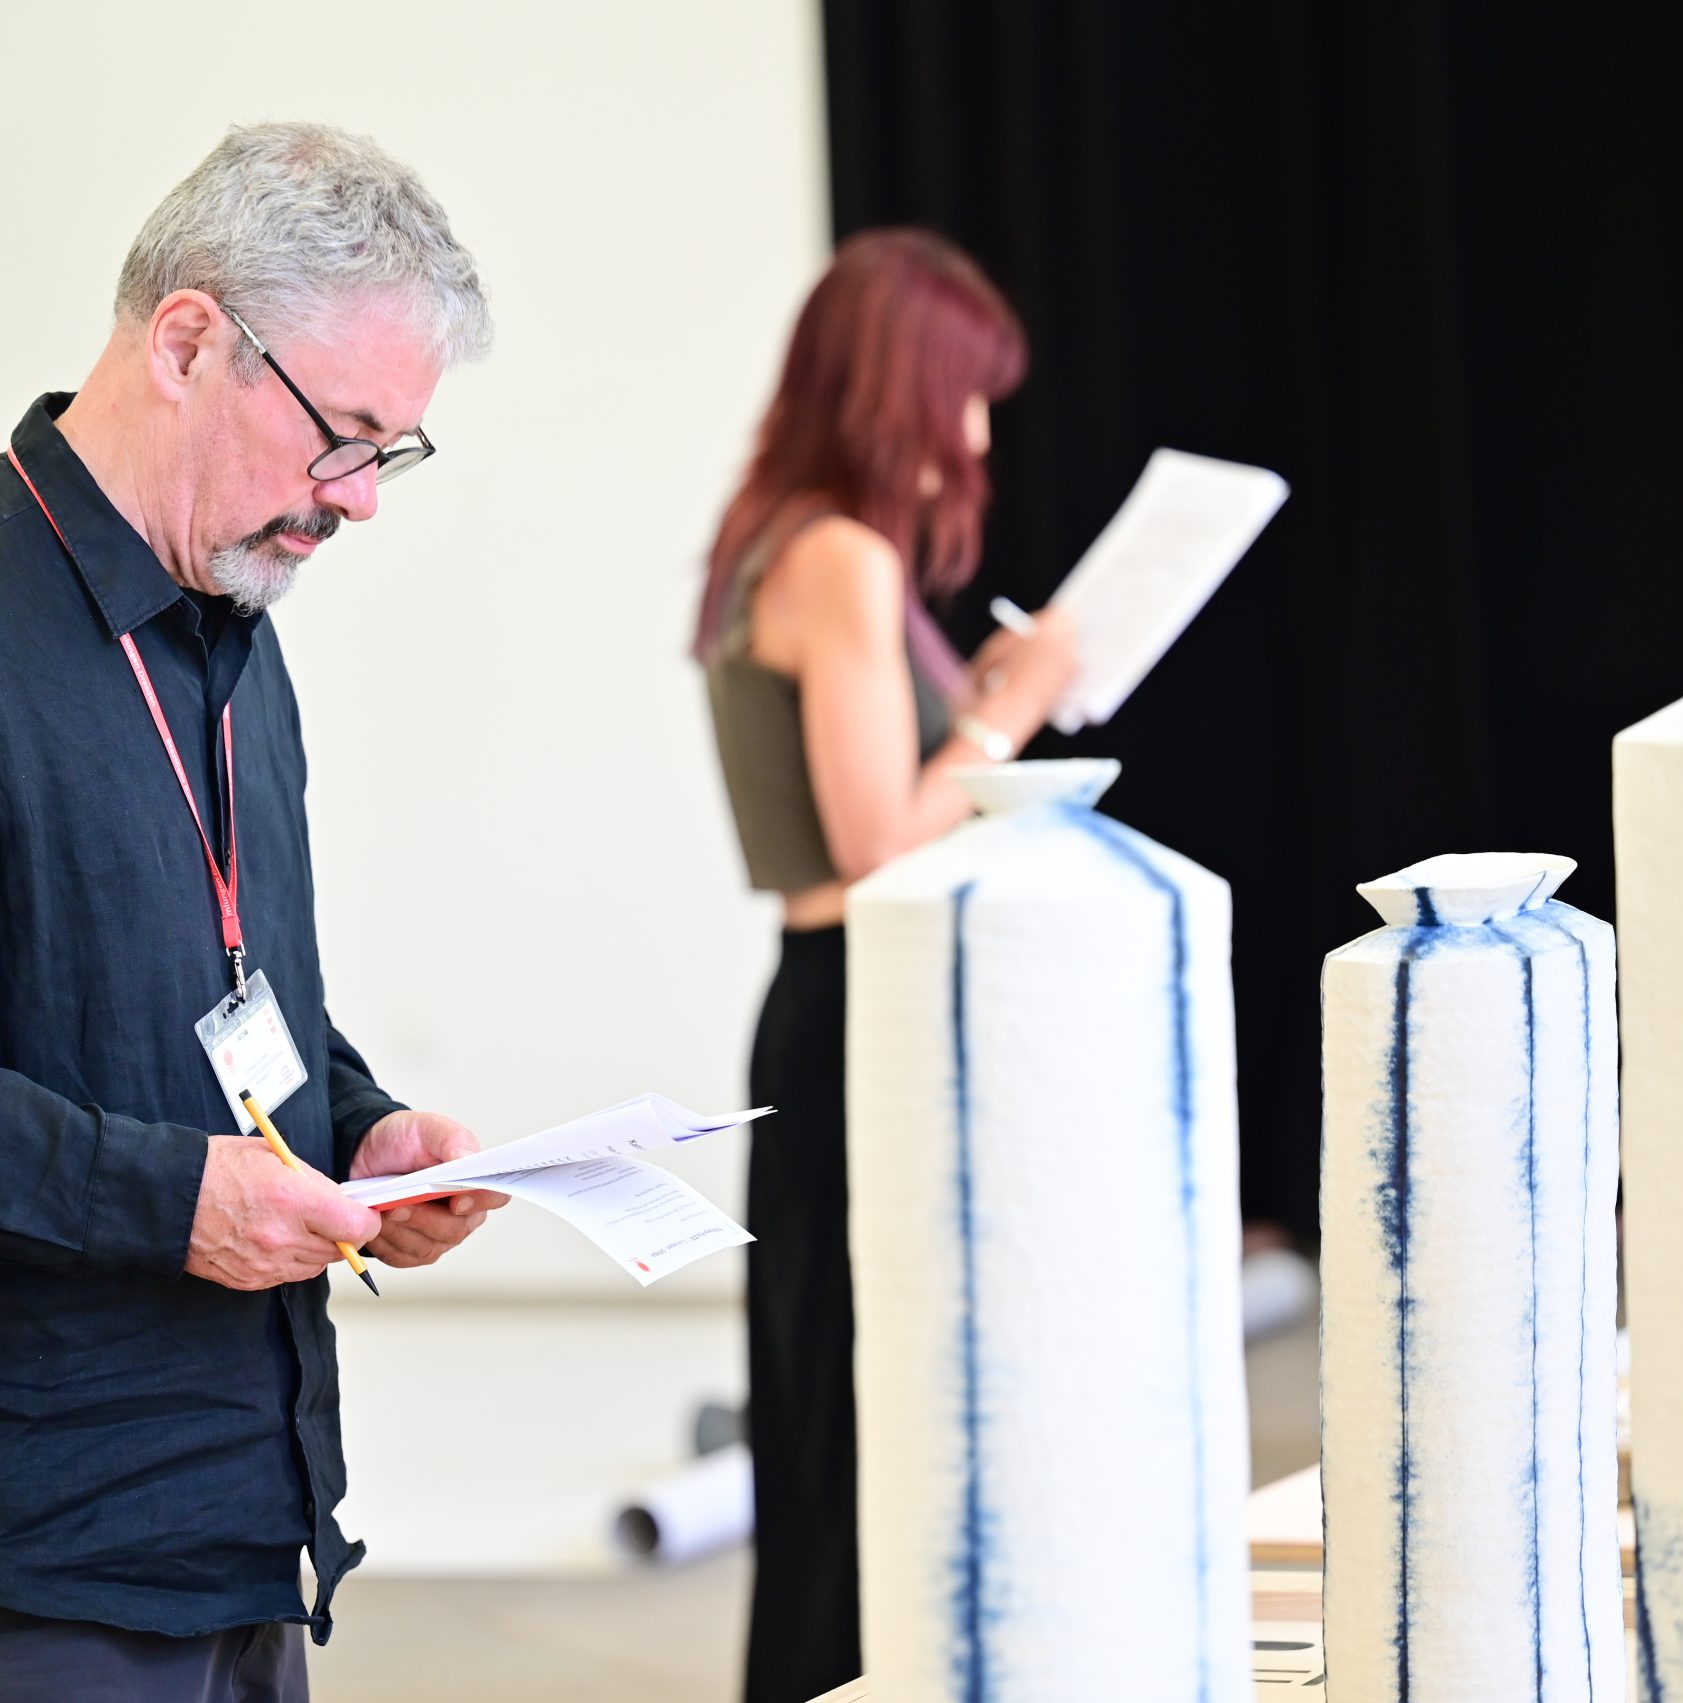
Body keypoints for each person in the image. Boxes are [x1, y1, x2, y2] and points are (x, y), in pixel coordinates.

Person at [0, 123, 501, 1703]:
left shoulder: (234, 628)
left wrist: (359, 1123)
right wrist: (166, 1199)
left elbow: (202, 984)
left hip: (230, 1501)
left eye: (392, 452)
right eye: (346, 437)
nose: (361, 503)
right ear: (189, 340)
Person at [695, 229, 1080, 1703]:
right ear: (899, 389)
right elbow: (879, 837)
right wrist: (1011, 712)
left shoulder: (780, 535)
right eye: (966, 397)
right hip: (861, 1006)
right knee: (867, 1421)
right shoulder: (841, 555)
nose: (977, 437)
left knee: (834, 1417)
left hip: (828, 1015)